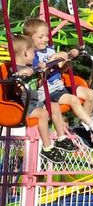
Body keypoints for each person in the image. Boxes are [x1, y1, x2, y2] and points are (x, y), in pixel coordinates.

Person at [23, 18, 93, 147]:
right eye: (41, 37)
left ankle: (82, 127)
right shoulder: (32, 55)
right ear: (30, 39)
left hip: (60, 85)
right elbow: (38, 75)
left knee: (90, 94)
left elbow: (61, 68)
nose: (45, 39)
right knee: (74, 100)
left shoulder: (50, 49)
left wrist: (67, 58)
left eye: (46, 36)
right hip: (48, 90)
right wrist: (50, 63)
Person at [11, 36, 67, 165]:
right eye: (32, 52)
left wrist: (42, 73)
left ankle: (61, 138)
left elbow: (37, 85)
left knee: (53, 105)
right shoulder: (16, 69)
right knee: (43, 114)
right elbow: (18, 81)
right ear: (25, 53)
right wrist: (27, 72)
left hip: (33, 103)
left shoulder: (30, 67)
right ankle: (47, 148)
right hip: (23, 107)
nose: (34, 55)